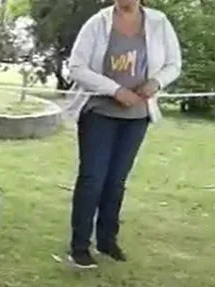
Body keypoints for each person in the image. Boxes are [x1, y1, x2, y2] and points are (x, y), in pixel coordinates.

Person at [66, 0, 181, 268]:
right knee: (92, 179)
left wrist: (156, 82)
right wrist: (115, 90)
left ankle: (107, 240)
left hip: (136, 118)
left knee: (116, 181)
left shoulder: (159, 22)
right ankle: (79, 247)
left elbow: (173, 64)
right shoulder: (97, 23)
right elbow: (77, 67)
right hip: (99, 113)